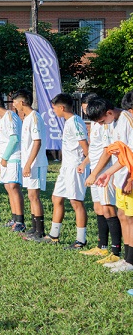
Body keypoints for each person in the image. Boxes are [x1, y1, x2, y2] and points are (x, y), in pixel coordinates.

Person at [32, 93, 90, 247]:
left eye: (54, 108)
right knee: (57, 198)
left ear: (62, 107)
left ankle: (80, 240)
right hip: (66, 167)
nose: (53, 111)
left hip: (75, 167)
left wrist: (84, 164)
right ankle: (53, 235)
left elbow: (86, 148)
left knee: (76, 202)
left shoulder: (75, 122)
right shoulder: (68, 122)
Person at [81, 96, 122, 263]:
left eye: (85, 108)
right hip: (95, 170)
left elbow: (107, 151)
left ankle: (115, 251)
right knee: (98, 208)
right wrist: (85, 163)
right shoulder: (97, 123)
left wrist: (95, 173)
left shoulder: (108, 123)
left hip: (104, 171)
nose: (85, 111)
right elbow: (96, 149)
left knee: (108, 209)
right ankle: (102, 246)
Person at [12, 90, 48, 241]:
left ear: (22, 102)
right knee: (31, 195)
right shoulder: (26, 119)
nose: (13, 105)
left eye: (14, 102)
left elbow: (37, 142)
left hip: (36, 163)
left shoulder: (35, 117)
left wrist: (28, 164)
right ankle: (34, 228)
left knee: (34, 196)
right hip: (28, 163)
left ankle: (40, 231)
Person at [0, 95, 25, 232]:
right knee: (9, 187)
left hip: (13, 157)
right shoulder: (0, 119)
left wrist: (5, 157)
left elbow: (14, 139)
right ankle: (14, 219)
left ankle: (20, 221)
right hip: (5, 159)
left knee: (14, 186)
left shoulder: (10, 116)